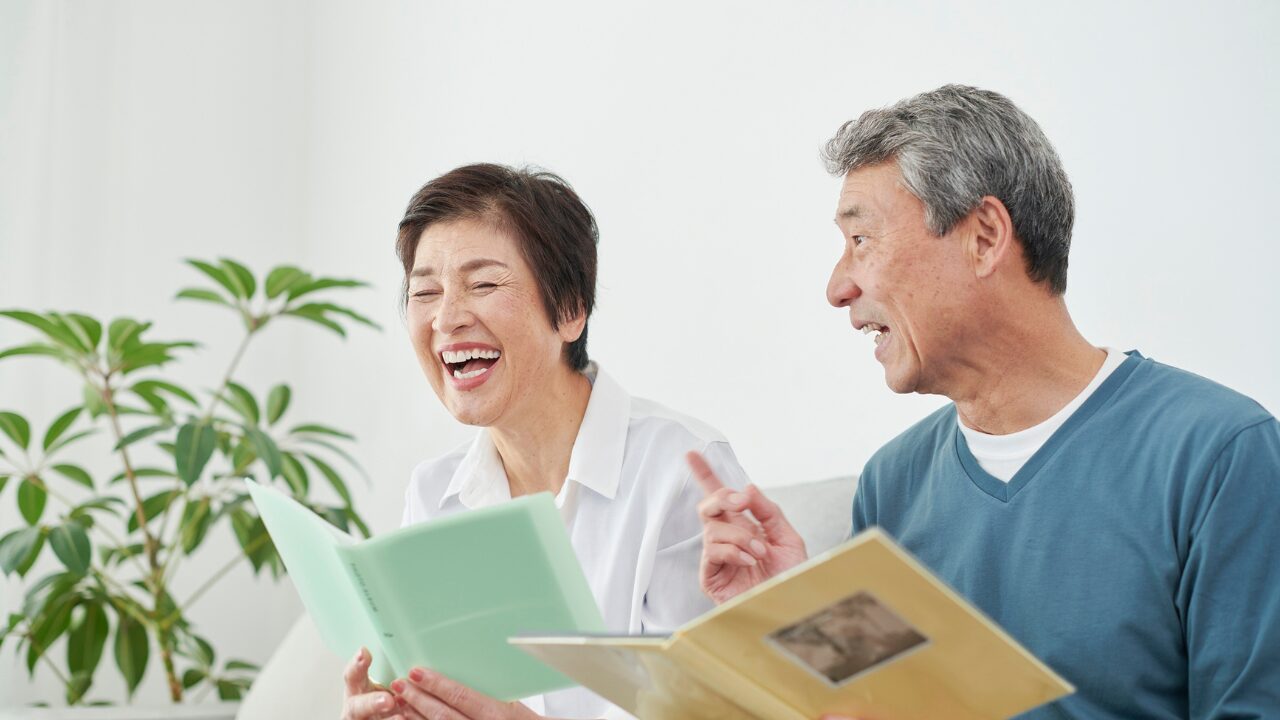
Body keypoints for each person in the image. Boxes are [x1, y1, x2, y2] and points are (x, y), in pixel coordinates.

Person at [690, 85, 1280, 719]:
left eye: (861, 239)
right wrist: (793, 622)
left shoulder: (1219, 455)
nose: (837, 287)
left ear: (985, 237)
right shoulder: (892, 485)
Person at [341, 163, 750, 720]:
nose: (446, 318)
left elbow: (711, 712)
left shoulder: (682, 472)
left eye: (484, 284)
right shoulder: (433, 493)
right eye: (425, 292)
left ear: (570, 310)